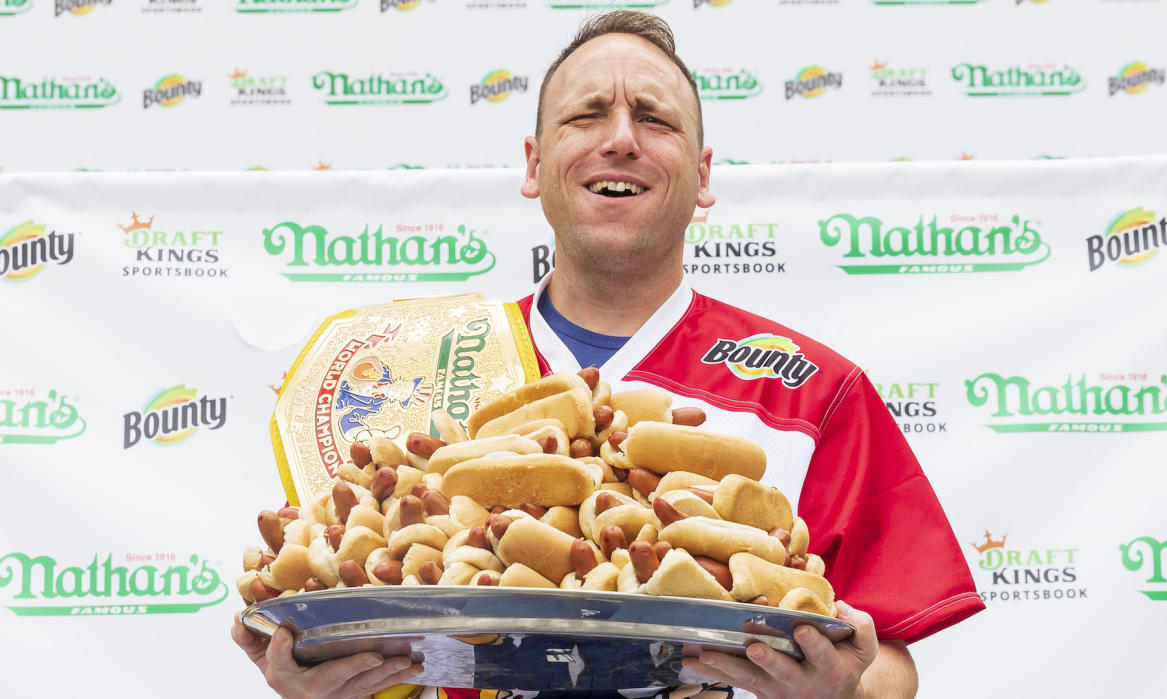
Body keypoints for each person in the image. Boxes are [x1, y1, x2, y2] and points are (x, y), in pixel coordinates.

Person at [232, 11, 984, 699]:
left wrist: (844, 690)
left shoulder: (813, 394)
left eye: (653, 118)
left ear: (703, 176)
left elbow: (892, 663)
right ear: (534, 164)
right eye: (585, 115)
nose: (620, 137)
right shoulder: (417, 374)